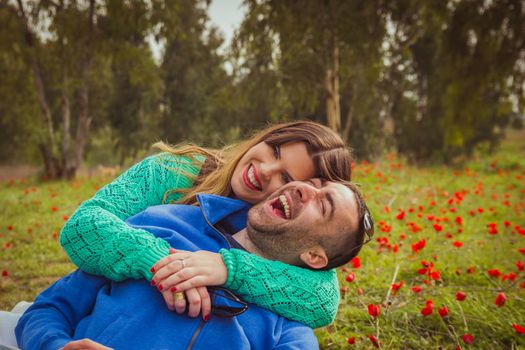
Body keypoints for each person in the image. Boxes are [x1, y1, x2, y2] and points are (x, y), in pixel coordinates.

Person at [59, 120, 354, 327]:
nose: (264, 170)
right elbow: (82, 227)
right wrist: (163, 262)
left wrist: (228, 268)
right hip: (93, 305)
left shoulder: (271, 232)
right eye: (274, 151)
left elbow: (323, 299)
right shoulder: (170, 172)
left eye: (286, 179)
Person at [16, 180, 374, 349]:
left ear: (315, 257)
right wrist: (56, 347)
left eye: (322, 205)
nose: (303, 189)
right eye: (313, 183)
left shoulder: (290, 323)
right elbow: (49, 308)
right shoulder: (162, 224)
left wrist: (230, 269)